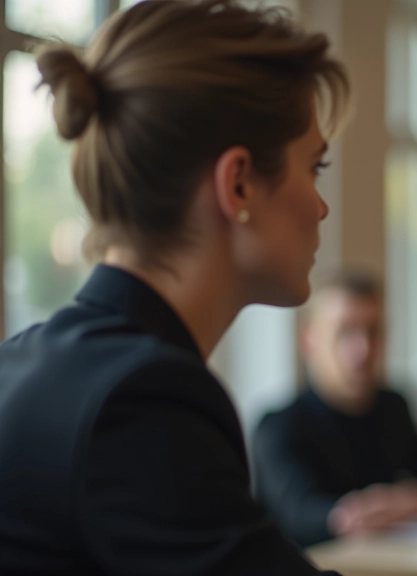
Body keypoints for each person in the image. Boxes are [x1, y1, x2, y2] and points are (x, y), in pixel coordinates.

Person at [0, 1, 351, 574]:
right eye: (314, 168)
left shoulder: (23, 361)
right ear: (237, 184)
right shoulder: (141, 400)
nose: (321, 206)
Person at [253, 271, 417, 547]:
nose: (363, 348)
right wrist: (368, 510)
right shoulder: (278, 426)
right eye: (345, 332)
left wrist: (413, 501)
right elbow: (300, 515)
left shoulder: (393, 407)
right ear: (309, 340)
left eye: (373, 331)